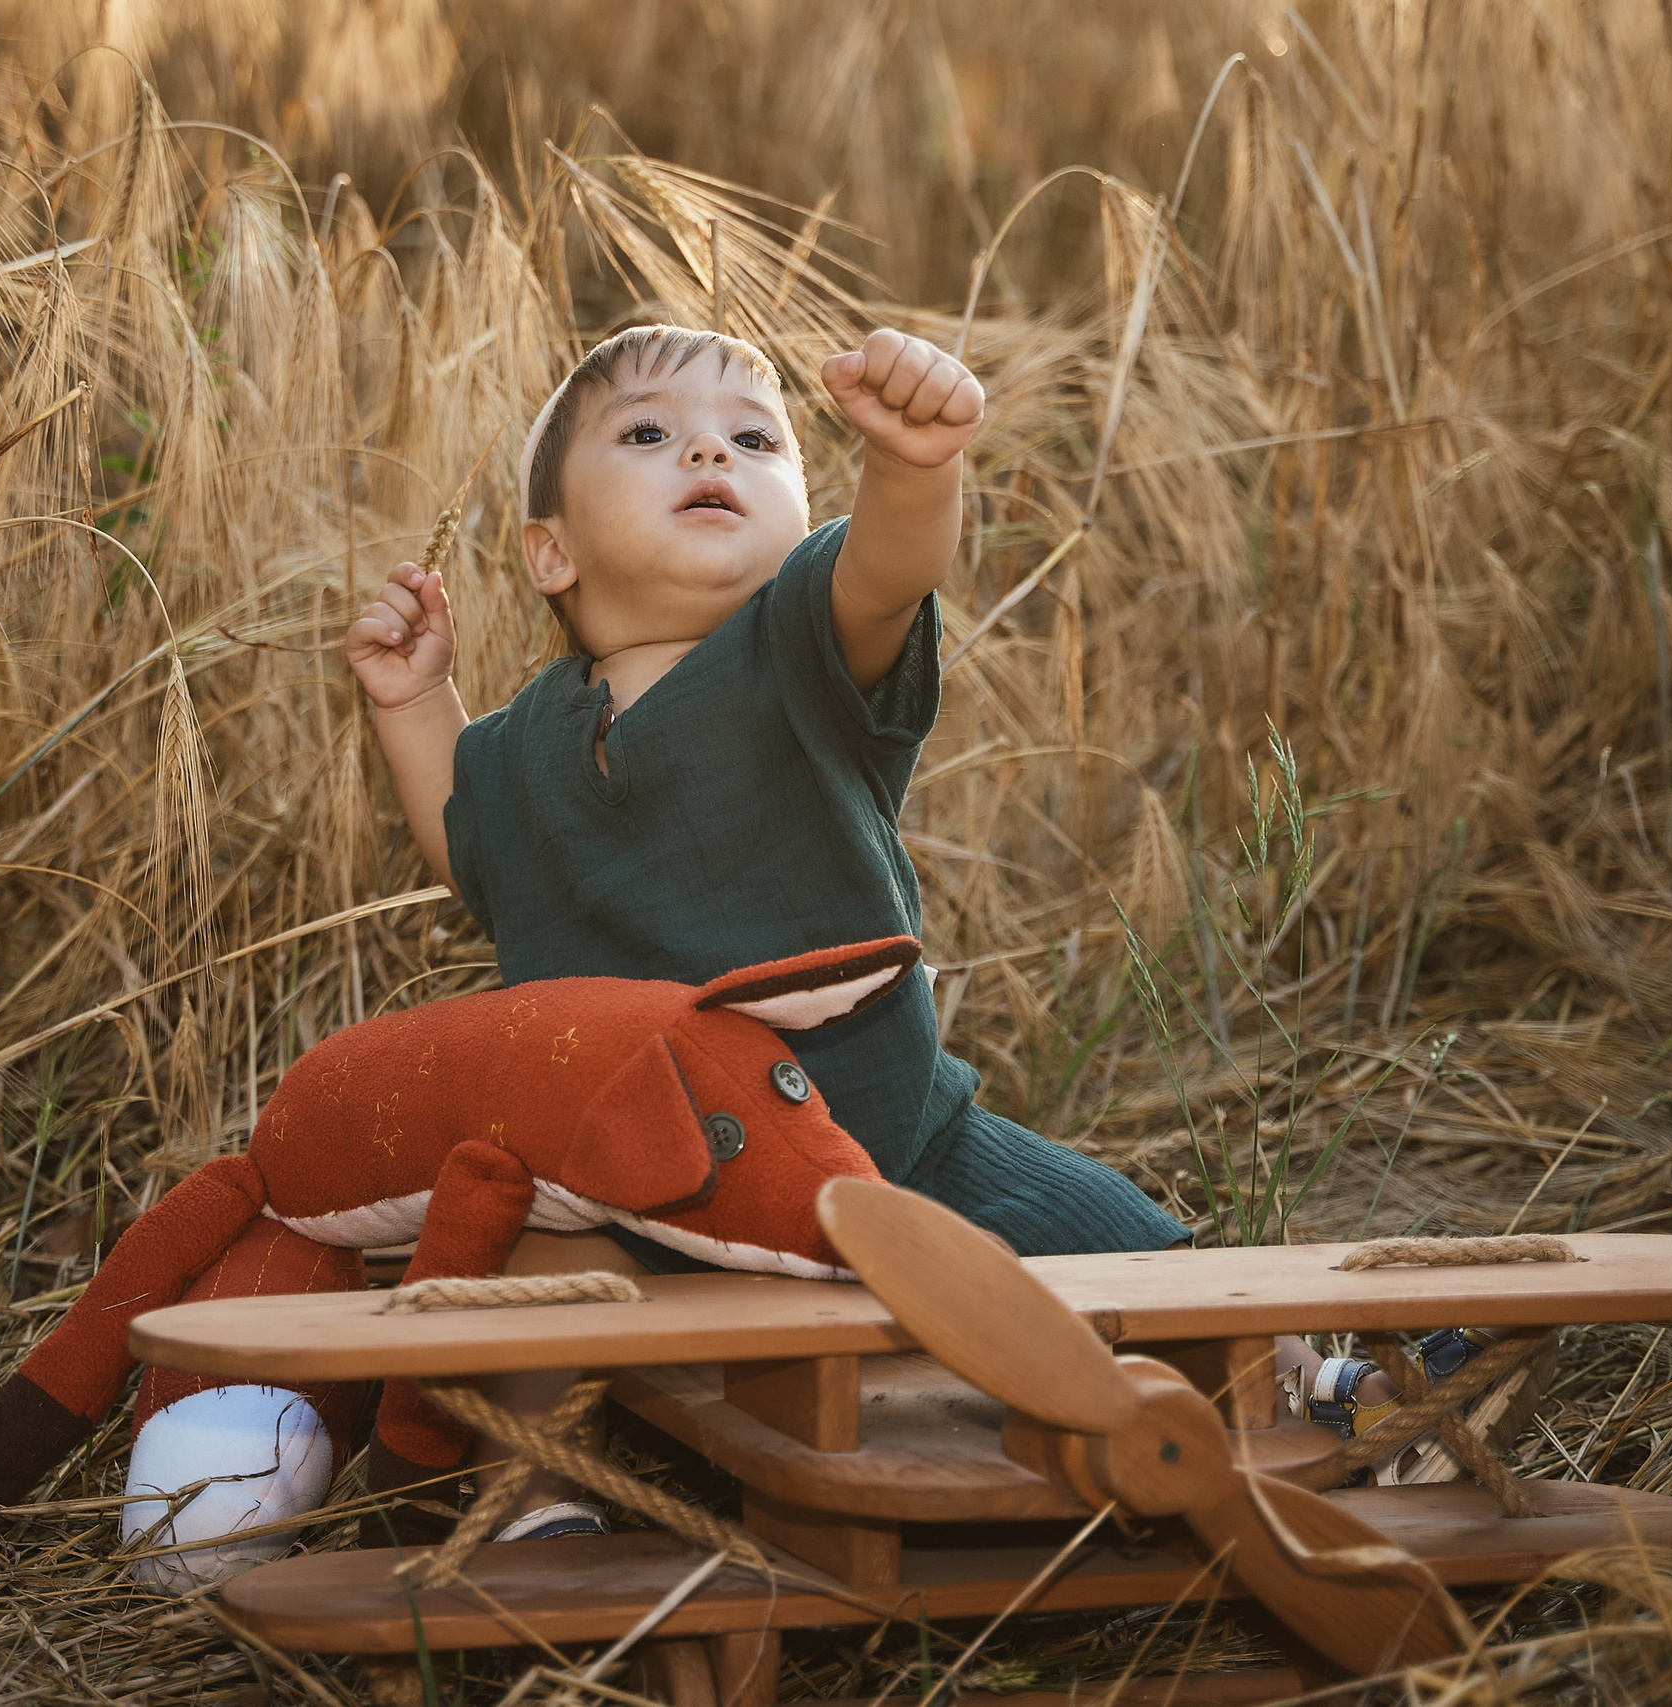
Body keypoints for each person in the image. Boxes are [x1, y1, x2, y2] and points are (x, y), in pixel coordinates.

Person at [344, 323, 1189, 1540]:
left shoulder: (798, 646)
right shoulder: (523, 742)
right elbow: (479, 853)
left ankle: (1326, 1391)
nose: (709, 448)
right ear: (550, 553)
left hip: (886, 1155)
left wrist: (915, 463)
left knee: (1133, 1268)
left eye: (755, 438)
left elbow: (889, 569)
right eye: (648, 433)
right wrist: (416, 701)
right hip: (643, 1195)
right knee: (521, 1283)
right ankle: (540, 1497)